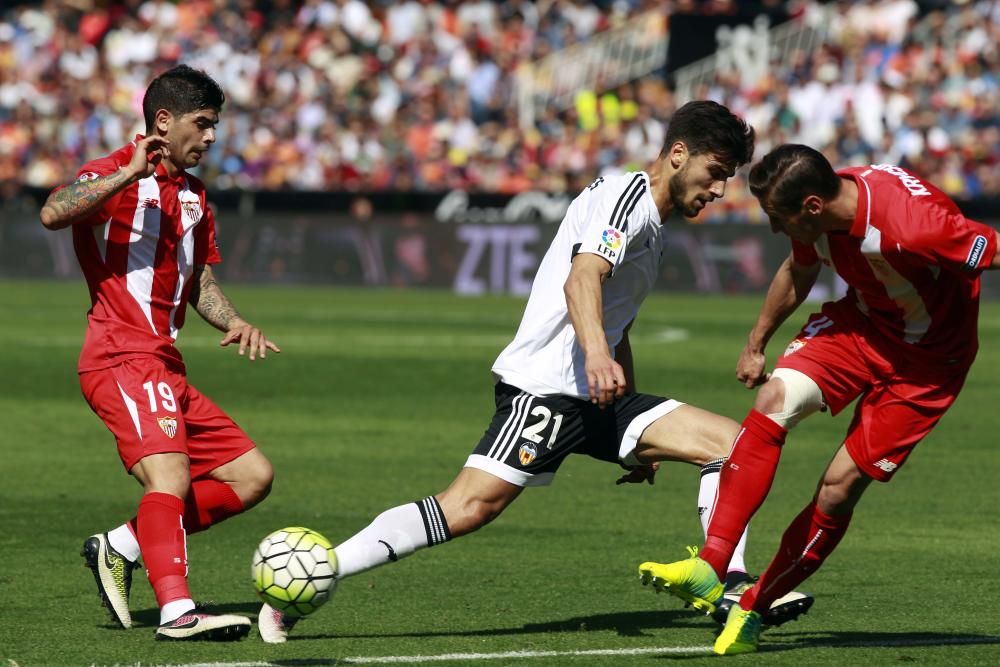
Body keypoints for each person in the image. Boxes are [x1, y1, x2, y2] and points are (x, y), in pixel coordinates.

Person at [258, 101, 810, 644]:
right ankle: (313, 576)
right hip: (545, 387)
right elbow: (582, 280)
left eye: (727, 178)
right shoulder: (626, 199)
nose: (718, 190)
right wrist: (596, 356)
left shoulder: (653, 225)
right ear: (677, 154)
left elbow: (617, 324)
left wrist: (632, 424)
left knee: (733, 445)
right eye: (715, 172)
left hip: (595, 395)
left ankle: (729, 582)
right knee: (469, 507)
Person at [638, 144, 1000, 655]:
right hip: (863, 326)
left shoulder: (912, 227)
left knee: (836, 489)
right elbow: (798, 270)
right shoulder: (825, 207)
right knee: (775, 398)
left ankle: (753, 608)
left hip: (927, 365)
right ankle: (711, 564)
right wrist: (757, 341)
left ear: (810, 207)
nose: (771, 229)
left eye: (776, 218)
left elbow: (992, 249)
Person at [39, 65, 280, 641]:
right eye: (203, 123)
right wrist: (124, 172)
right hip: (120, 353)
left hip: (165, 363)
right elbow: (54, 211)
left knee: (252, 476)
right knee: (169, 474)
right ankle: (178, 612)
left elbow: (199, 284)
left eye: (216, 125)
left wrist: (236, 319)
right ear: (164, 122)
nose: (212, 137)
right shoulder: (116, 176)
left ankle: (121, 544)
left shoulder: (195, 198)